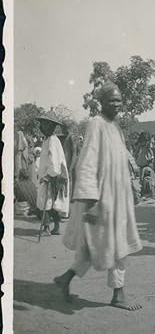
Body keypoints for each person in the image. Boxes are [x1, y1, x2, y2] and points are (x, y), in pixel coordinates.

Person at [55, 82, 142, 311]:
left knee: (99, 246)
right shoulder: (96, 124)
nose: (117, 103)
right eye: (112, 100)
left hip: (117, 200)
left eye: (119, 99)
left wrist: (131, 188)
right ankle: (118, 295)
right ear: (101, 102)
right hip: (101, 201)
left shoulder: (116, 127)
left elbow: (120, 161)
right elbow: (87, 163)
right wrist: (91, 203)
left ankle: (66, 279)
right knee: (108, 245)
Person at [36, 110, 69, 236]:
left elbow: (55, 164)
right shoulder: (48, 140)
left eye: (44, 124)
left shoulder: (53, 141)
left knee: (46, 201)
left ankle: (46, 228)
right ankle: (56, 227)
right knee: (52, 202)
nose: (41, 127)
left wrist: (48, 176)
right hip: (51, 176)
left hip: (52, 176)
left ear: (50, 126)